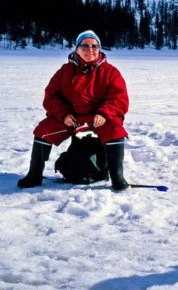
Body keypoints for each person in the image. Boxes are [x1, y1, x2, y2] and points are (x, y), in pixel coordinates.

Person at [17, 30, 130, 191]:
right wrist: (64, 114)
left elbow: (119, 99)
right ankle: (34, 174)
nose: (89, 50)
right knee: (43, 130)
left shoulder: (110, 72)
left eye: (94, 46)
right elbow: (51, 96)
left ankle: (117, 176)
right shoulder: (65, 71)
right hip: (71, 117)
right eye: (84, 46)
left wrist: (104, 114)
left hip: (98, 117)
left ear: (99, 48)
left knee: (116, 131)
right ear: (77, 49)